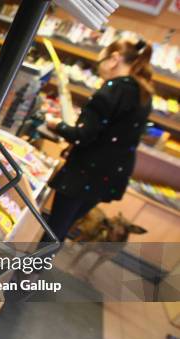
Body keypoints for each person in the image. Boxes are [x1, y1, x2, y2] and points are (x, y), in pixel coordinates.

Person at [42, 39, 153, 243]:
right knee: (63, 228)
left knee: (54, 229)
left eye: (100, 60)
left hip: (85, 172)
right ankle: (32, 272)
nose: (99, 66)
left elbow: (83, 134)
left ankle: (26, 274)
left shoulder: (113, 88)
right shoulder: (143, 92)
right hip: (107, 177)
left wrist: (56, 125)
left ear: (114, 59)